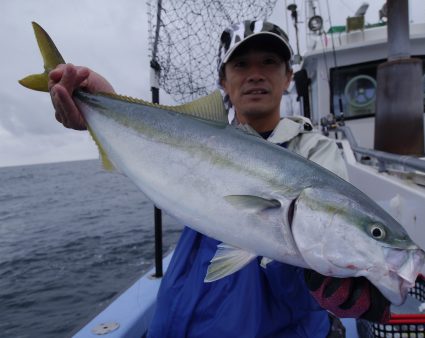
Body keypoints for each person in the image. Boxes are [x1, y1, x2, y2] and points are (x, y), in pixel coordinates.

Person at [48, 20, 390, 338]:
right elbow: (146, 157)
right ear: (223, 81)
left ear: (288, 76)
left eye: (269, 62)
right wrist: (100, 105)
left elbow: (325, 242)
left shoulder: (316, 153)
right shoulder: (195, 139)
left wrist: (329, 274)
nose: (255, 74)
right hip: (174, 320)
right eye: (241, 65)